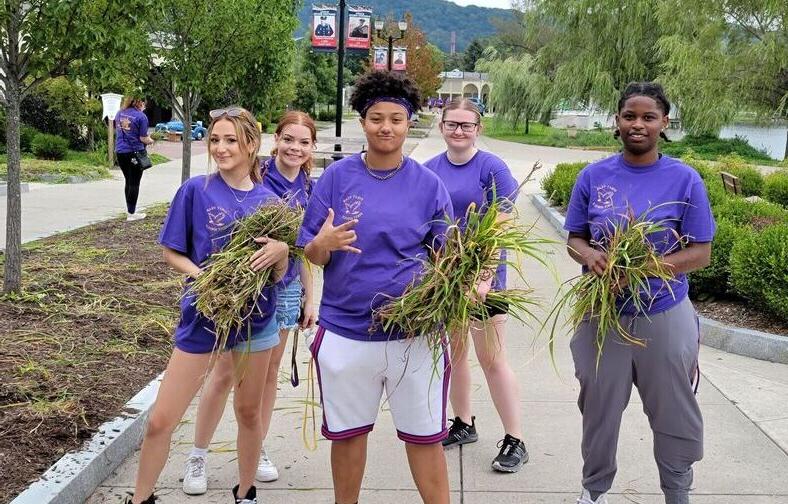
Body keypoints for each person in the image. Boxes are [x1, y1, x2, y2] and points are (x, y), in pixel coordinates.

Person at [297, 71, 454, 504]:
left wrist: (467, 281)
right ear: (363, 121)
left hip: (415, 336)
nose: (386, 127)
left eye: (397, 119)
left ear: (409, 123)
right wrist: (322, 244)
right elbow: (310, 253)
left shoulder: (428, 184)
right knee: (347, 436)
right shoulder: (336, 178)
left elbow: (447, 257)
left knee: (425, 437)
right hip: (347, 330)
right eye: (376, 117)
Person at [124, 107, 290, 504]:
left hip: (255, 322)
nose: (220, 147)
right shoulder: (195, 190)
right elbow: (171, 251)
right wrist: (205, 278)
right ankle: (141, 498)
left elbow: (278, 274)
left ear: (251, 145)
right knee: (162, 419)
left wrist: (282, 251)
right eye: (215, 139)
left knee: (249, 414)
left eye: (230, 140)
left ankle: (246, 491)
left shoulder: (271, 203)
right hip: (203, 317)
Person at [563, 82, 715, 504]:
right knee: (598, 408)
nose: (638, 124)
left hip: (664, 314)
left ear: (664, 124)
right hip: (603, 314)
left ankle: (677, 493)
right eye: (630, 115)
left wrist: (645, 269)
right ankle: (594, 491)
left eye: (649, 117)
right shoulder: (593, 176)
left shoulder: (684, 179)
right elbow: (574, 237)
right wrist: (590, 255)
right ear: (617, 121)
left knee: (672, 412)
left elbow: (700, 252)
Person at [181, 111, 318, 495]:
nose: (295, 148)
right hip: (247, 290)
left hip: (286, 286)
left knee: (268, 374)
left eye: (304, 142)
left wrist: (310, 295)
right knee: (224, 372)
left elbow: (300, 246)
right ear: (272, 140)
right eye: (288, 139)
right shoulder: (259, 176)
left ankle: (255, 448)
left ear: (312, 148)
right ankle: (198, 453)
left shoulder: (306, 184)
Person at [424, 98, 528, 473]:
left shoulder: (492, 167)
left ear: (478, 129)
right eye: (452, 124)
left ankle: (515, 438)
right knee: (455, 354)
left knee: (492, 358)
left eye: (467, 125)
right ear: (442, 126)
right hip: (446, 279)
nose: (459, 131)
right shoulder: (429, 170)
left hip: (485, 281)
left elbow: (501, 222)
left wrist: (483, 273)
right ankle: (463, 423)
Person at [114, 97, 154, 221]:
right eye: (144, 103)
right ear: (139, 102)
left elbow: (117, 129)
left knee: (128, 181)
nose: (144, 106)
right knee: (134, 182)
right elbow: (143, 138)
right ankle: (131, 213)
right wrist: (152, 140)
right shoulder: (141, 117)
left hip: (120, 151)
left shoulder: (120, 113)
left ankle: (130, 210)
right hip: (135, 152)